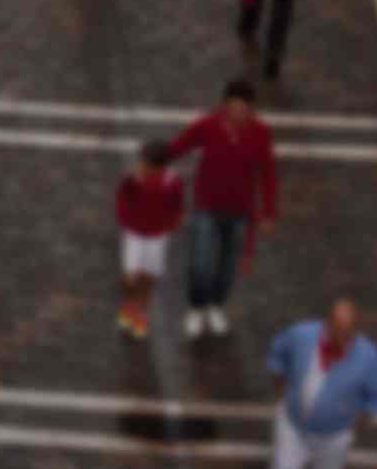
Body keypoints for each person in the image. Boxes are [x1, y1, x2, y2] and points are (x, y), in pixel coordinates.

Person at [258, 300, 377, 469]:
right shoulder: (302, 336)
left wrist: (351, 428)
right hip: (293, 426)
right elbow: (278, 355)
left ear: (355, 331)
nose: (341, 336)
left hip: (335, 436)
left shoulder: (369, 358)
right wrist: (284, 394)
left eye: (347, 332)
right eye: (337, 329)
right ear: (327, 323)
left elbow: (374, 400)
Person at [166, 79, 278, 338]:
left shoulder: (261, 133)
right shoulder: (208, 126)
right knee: (201, 263)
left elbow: (268, 174)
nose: (238, 113)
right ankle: (196, 307)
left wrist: (269, 212)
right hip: (207, 207)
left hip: (240, 213)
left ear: (251, 109)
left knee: (228, 267)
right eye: (234, 107)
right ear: (225, 105)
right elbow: (180, 145)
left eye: (244, 108)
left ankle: (215, 306)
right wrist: (159, 159)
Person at [114, 141, 184, 339]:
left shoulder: (172, 182)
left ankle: (140, 315)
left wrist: (172, 222)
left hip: (157, 237)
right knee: (131, 277)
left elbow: (177, 204)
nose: (141, 166)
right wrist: (124, 219)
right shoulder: (133, 179)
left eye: (145, 163)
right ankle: (129, 308)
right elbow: (122, 197)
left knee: (149, 278)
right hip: (135, 234)